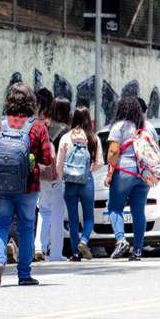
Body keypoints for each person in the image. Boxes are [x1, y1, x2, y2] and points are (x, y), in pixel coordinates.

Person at [0, 83, 53, 287]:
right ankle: (24, 274)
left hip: (1, 186)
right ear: (32, 102)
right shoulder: (37, 126)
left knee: (1, 223)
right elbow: (48, 158)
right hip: (28, 186)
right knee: (26, 227)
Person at [104, 96, 153, 260]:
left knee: (114, 207)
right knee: (138, 211)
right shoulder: (148, 127)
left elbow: (113, 152)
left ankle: (121, 239)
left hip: (125, 171)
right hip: (144, 173)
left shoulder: (119, 126)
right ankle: (137, 250)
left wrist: (110, 170)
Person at [57, 106, 103, 261]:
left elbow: (59, 164)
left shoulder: (66, 138)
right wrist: (87, 170)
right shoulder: (93, 138)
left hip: (69, 182)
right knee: (89, 217)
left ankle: (75, 253)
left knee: (73, 219)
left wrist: (64, 175)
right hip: (86, 182)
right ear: (88, 119)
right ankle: (84, 241)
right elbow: (99, 163)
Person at [34, 97, 70, 262]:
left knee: (43, 210)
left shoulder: (44, 127)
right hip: (57, 175)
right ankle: (55, 252)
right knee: (57, 213)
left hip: (42, 172)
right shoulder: (65, 130)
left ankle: (39, 246)